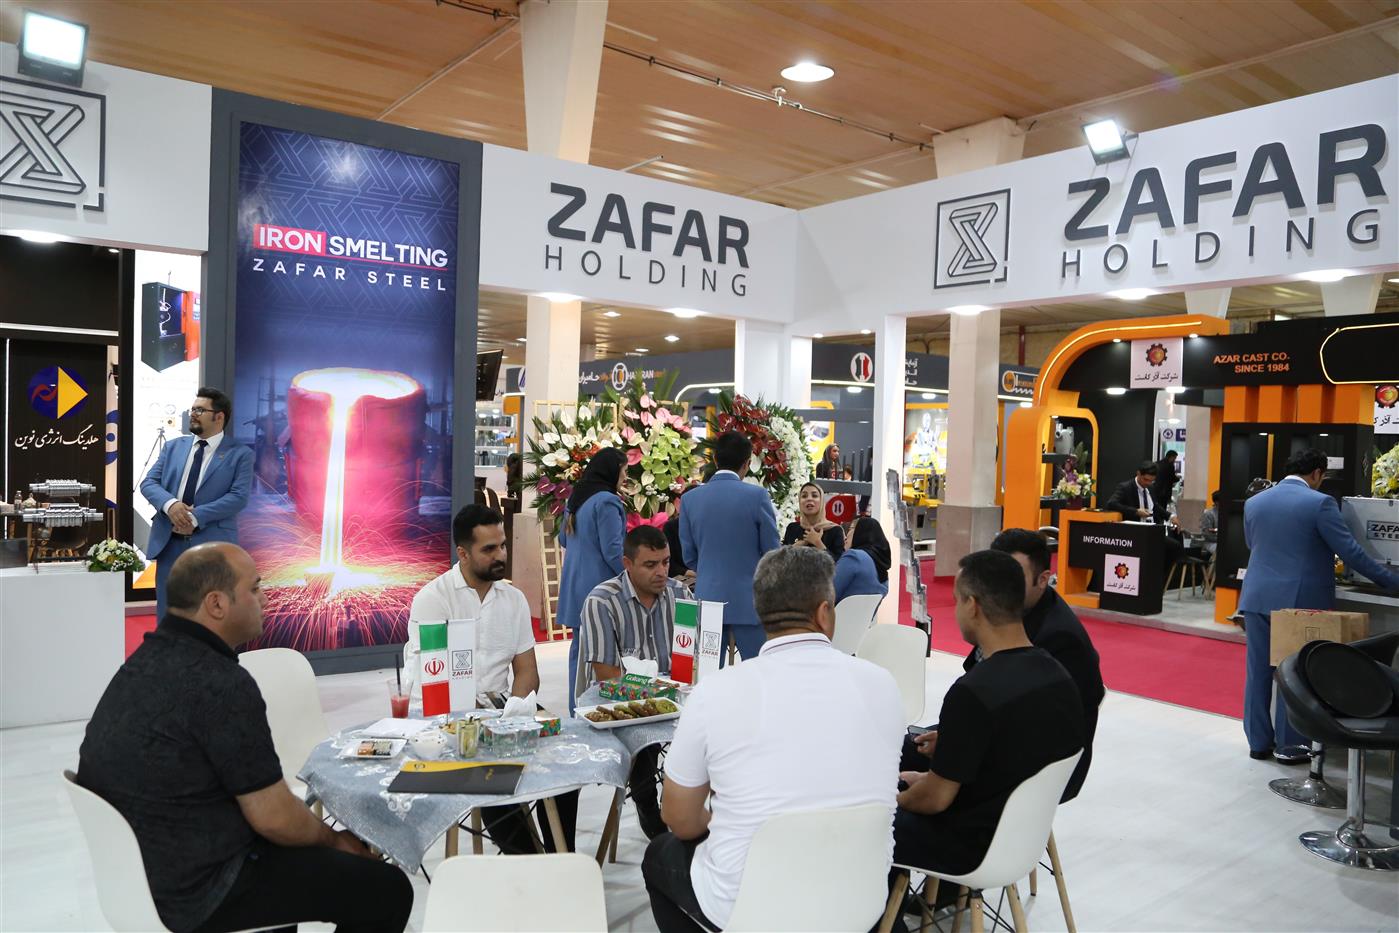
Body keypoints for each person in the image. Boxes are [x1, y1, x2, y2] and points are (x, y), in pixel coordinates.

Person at [77, 543, 413, 933]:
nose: (265, 599)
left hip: (142, 877)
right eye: (254, 588)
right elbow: (274, 817)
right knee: (387, 890)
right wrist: (337, 842)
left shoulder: (143, 663)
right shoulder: (217, 682)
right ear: (217, 604)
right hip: (199, 889)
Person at [642, 547, 904, 933]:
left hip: (751, 911)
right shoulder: (882, 684)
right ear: (824, 613)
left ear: (760, 613)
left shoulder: (717, 691)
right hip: (861, 900)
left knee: (659, 855)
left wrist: (721, 824)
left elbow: (679, 819)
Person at [894, 550, 1084, 879]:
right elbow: (1010, 757)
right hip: (1022, 837)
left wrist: (894, 798)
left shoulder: (973, 692)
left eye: (956, 601)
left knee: (867, 820)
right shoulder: (1059, 675)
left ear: (972, 605)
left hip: (970, 845)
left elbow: (934, 801)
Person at [1239, 448, 1399, 763]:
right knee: (1294, 674)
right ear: (1316, 473)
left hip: (1256, 598)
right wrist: (1392, 581)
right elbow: (1351, 552)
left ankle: (1258, 743)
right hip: (1299, 602)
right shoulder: (1320, 503)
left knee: (1258, 673)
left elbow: (1253, 544)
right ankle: (1291, 748)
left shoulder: (1255, 502)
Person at [965, 529, 1104, 801]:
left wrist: (958, 742)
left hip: (1038, 768)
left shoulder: (1056, 637)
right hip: (1003, 737)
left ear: (1042, 579)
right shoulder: (1014, 613)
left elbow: (1033, 725)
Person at [580, 525, 694, 839]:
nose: (662, 572)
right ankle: (650, 814)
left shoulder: (681, 595)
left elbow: (691, 662)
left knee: (707, 731)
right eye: (650, 565)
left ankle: (686, 810)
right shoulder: (602, 601)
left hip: (673, 698)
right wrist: (659, 693)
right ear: (627, 564)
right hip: (620, 702)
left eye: (666, 562)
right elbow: (608, 678)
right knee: (640, 738)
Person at [140, 388, 253, 621]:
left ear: (219, 417)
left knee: (212, 616)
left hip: (213, 546)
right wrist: (171, 505)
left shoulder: (240, 454)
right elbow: (149, 483)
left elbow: (238, 497)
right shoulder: (173, 447)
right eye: (192, 409)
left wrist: (194, 517)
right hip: (170, 543)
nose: (192, 414)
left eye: (200, 410)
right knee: (169, 613)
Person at [404, 504, 538, 701]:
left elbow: (527, 670)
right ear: (463, 554)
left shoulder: (515, 600)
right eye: (489, 549)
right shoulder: (433, 600)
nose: (501, 555)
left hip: (498, 709)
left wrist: (515, 711)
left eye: (502, 545)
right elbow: (433, 678)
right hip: (440, 710)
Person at [680, 431, 781, 662]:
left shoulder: (690, 499)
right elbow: (772, 553)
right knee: (758, 671)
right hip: (750, 601)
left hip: (708, 598)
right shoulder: (758, 496)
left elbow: (689, 556)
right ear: (747, 463)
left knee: (707, 672)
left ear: (715, 459)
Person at [556, 447, 628, 707]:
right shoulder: (607, 501)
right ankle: (599, 708)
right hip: (600, 585)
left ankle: (575, 707)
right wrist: (631, 578)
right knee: (603, 652)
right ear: (611, 471)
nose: (625, 476)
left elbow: (563, 539)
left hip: (574, 582)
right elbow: (613, 551)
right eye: (624, 470)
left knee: (579, 650)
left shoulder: (576, 497)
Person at [1105, 459, 1184, 576]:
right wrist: (1136, 511)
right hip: (1134, 532)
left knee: (1175, 547)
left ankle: (1162, 578)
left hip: (1151, 530)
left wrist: (1170, 516)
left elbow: (1155, 506)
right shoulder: (1125, 487)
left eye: (1151, 481)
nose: (1148, 483)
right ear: (1138, 474)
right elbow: (1111, 503)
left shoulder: (1150, 488)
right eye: (1146, 480)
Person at [782, 481, 844, 561]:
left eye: (814, 496)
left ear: (822, 501)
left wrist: (818, 543)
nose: (809, 499)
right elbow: (780, 561)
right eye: (804, 496)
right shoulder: (792, 528)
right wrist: (795, 547)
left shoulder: (835, 530)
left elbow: (839, 563)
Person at [834, 515, 891, 603]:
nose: (845, 536)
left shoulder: (854, 557)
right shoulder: (882, 571)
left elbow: (829, 592)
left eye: (850, 529)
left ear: (860, 532)